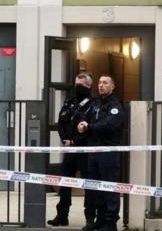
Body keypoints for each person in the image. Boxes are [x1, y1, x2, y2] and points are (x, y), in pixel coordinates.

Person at [78, 74, 125, 231]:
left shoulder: (115, 106)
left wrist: (90, 127)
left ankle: (111, 222)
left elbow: (109, 125)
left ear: (113, 86)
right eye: (99, 83)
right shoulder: (96, 104)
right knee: (95, 187)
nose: (101, 85)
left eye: (105, 83)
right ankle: (101, 218)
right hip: (94, 151)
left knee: (109, 187)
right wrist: (82, 124)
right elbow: (86, 118)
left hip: (108, 151)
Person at [47, 73, 95, 228]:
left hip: (85, 150)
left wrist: (75, 140)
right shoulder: (70, 103)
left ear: (88, 86)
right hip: (70, 150)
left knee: (89, 184)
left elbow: (91, 129)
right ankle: (62, 216)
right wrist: (65, 140)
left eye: (80, 85)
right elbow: (61, 123)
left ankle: (89, 218)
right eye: (76, 84)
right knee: (65, 183)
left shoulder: (93, 105)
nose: (77, 88)